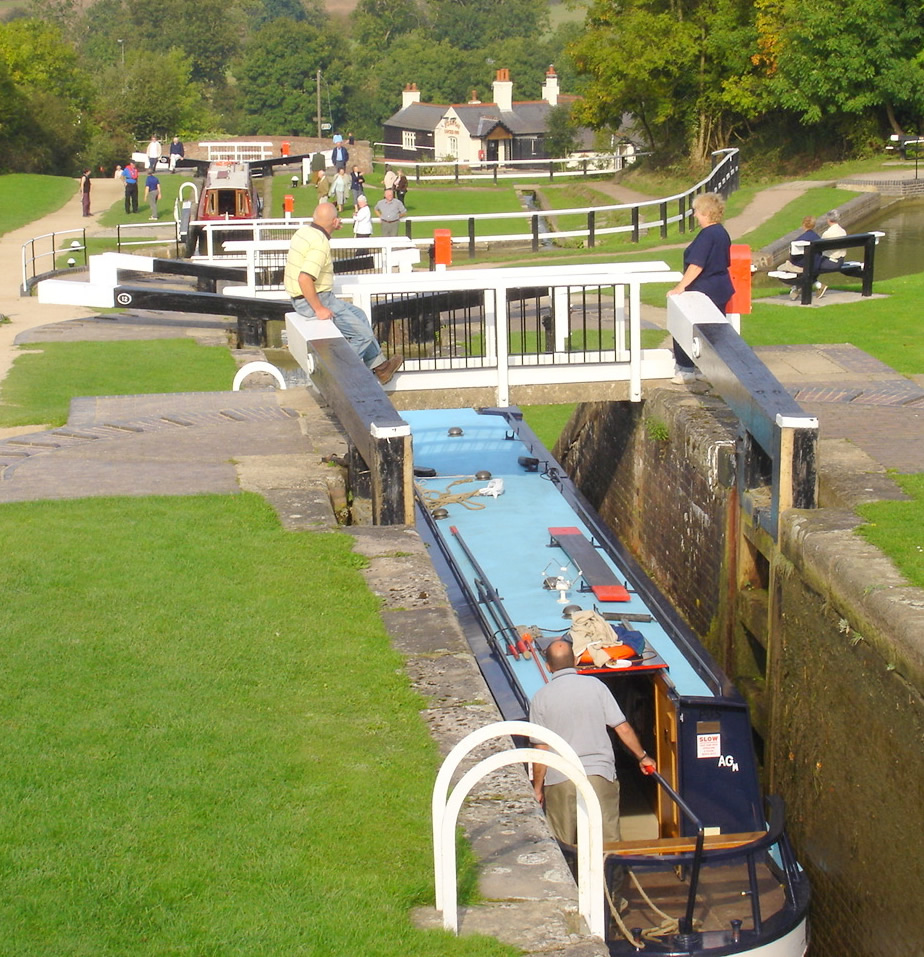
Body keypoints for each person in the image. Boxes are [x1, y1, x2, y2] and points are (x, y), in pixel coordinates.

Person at [530, 640, 656, 900]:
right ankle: (611, 903)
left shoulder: (540, 697)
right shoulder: (597, 687)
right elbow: (622, 728)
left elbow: (541, 750)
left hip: (560, 778)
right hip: (599, 776)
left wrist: (538, 788)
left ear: (548, 665)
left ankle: (570, 901)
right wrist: (643, 757)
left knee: (564, 844)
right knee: (607, 844)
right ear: (575, 661)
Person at [283, 202, 403, 384]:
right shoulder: (320, 243)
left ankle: (380, 367)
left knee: (360, 315)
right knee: (362, 335)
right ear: (334, 221)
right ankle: (335, 374)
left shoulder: (304, 233)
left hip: (307, 298)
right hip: (314, 300)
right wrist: (319, 309)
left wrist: (331, 227)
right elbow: (304, 278)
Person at [667, 191, 734, 383]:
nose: (695, 215)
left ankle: (686, 370)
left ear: (705, 212)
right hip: (721, 287)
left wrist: (680, 288)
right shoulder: (721, 232)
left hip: (704, 289)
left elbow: (697, 264)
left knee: (683, 325)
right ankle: (708, 370)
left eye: (696, 211)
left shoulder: (707, 235)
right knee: (712, 332)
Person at [778, 215, 823, 300]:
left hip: (804, 267)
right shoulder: (818, 238)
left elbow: (793, 257)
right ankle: (799, 288)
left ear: (803, 225)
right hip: (816, 265)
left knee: (780, 269)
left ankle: (795, 288)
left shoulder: (799, 241)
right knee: (801, 272)